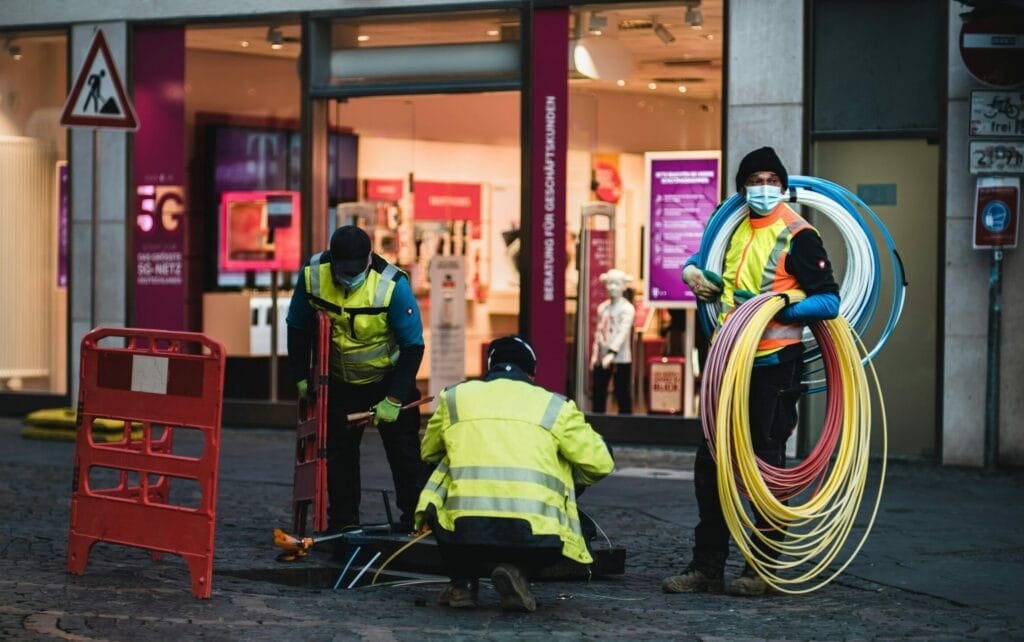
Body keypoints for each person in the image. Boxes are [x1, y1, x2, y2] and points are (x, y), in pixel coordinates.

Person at [662, 147, 840, 597]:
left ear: (783, 186)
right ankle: (707, 567)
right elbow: (711, 271)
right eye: (755, 180)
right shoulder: (731, 228)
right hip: (727, 362)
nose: (763, 188)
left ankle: (761, 567)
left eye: (771, 180)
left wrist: (779, 306)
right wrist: (692, 274)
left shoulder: (799, 236)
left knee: (765, 464)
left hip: (774, 367)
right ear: (742, 188)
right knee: (711, 464)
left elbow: (829, 301)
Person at [415, 336, 615, 611]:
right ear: (532, 373)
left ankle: (463, 583)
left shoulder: (455, 398)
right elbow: (601, 462)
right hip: (535, 535)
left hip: (463, 532)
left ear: (489, 367)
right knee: (566, 462)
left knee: (440, 469)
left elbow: (428, 452)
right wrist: (565, 478)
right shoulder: (556, 406)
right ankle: (518, 571)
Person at [286, 225, 432, 534]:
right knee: (339, 455)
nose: (349, 278)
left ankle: (414, 520)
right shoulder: (314, 274)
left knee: (404, 454)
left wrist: (394, 399)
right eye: (343, 271)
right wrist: (300, 376)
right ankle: (344, 523)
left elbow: (413, 347)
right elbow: (297, 326)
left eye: (355, 271)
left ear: (369, 259)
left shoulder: (392, 285)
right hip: (341, 382)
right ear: (332, 261)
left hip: (388, 378)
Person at [590, 268, 636, 414]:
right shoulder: (603, 308)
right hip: (602, 356)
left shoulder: (627, 309)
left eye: (616, 284)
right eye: (609, 283)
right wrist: (595, 354)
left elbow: (623, 332)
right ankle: (598, 421)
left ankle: (625, 423)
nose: (612, 287)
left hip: (620, 358)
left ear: (623, 286)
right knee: (599, 392)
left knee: (622, 392)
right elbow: (599, 332)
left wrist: (612, 353)